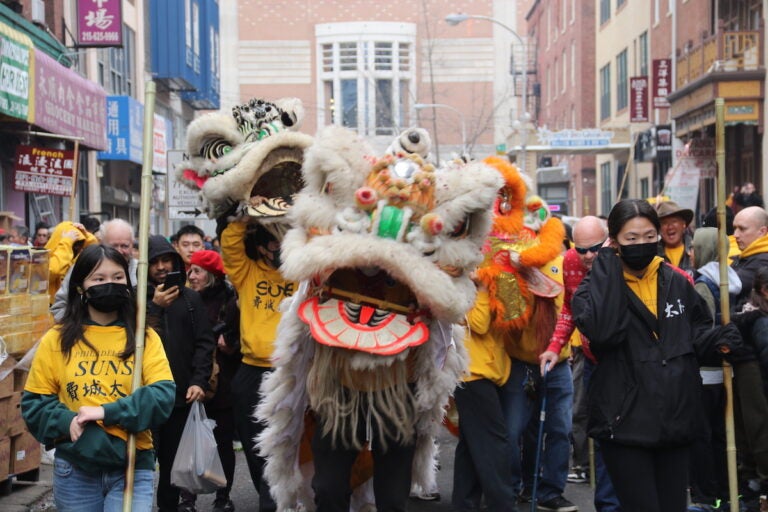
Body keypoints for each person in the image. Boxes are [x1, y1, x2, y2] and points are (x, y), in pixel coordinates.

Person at [572, 199, 744, 512]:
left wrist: (723, 337)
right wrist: (608, 266)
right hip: (625, 422)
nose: (642, 244)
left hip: (676, 418)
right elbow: (605, 333)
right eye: (631, 238)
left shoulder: (677, 281)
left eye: (649, 236)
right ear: (614, 241)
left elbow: (695, 336)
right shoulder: (592, 289)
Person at [21, 244, 175, 512]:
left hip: (132, 466)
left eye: (117, 278)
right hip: (75, 469)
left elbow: (162, 395)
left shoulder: (144, 338)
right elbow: (34, 403)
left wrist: (106, 411)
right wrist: (65, 420)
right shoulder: (56, 340)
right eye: (99, 278)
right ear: (80, 286)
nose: (110, 284)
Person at [539, 216, 621, 512]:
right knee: (598, 431)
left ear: (609, 241)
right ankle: (608, 505)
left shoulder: (621, 257)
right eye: (581, 249)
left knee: (625, 433)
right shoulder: (570, 261)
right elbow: (569, 310)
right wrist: (554, 346)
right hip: (592, 360)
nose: (588, 256)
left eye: (595, 248)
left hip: (626, 361)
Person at [220, 219, 295, 512]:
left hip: (290, 371)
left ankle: (277, 500)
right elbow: (230, 244)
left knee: (289, 441)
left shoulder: (300, 273)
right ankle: (268, 493)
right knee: (253, 443)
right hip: (251, 370)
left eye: (283, 242)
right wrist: (246, 218)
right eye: (273, 243)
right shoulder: (247, 273)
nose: (279, 248)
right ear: (262, 248)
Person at [146, 234, 216, 512]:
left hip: (179, 398)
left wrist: (199, 381)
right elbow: (130, 337)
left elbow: (204, 342)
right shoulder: (137, 295)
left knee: (172, 467)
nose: (162, 267)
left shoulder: (190, 299)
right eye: (155, 262)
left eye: (167, 260)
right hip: (144, 398)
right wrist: (154, 306)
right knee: (140, 464)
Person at [178, 250, 241, 512]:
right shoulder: (184, 300)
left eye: (197, 271)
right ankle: (187, 498)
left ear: (212, 275)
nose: (191, 276)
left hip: (224, 384)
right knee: (187, 439)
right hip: (192, 379)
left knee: (223, 442)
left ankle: (222, 497)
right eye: (190, 271)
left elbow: (244, 337)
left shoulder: (231, 302)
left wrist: (232, 346)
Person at [451, 278, 518, 512]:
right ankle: (503, 506)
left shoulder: (495, 276)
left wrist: (503, 281)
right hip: (471, 373)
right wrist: (480, 287)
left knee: (472, 445)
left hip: (490, 371)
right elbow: (478, 323)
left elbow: (513, 316)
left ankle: (464, 504)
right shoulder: (460, 278)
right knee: (493, 443)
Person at [688, 228, 741, 512]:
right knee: (722, 437)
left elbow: (701, 332)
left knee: (704, 437)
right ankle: (726, 492)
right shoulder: (731, 279)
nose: (690, 253)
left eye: (695, 247)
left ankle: (706, 497)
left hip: (706, 374)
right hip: (728, 372)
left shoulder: (702, 285)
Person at [51, 218, 138, 322]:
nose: (119, 251)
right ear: (101, 243)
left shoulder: (141, 271)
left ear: (132, 245)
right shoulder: (83, 266)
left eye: (124, 246)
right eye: (113, 246)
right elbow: (59, 307)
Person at [45, 221, 99, 305]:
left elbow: (95, 253)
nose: (78, 248)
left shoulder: (72, 258)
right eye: (75, 244)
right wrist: (66, 243)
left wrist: (86, 236)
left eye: (80, 244)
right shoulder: (42, 260)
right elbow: (54, 270)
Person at [730, 206, 768, 309]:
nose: (735, 235)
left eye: (742, 229)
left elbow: (730, 284)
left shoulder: (762, 260)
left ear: (762, 232)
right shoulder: (745, 256)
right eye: (734, 228)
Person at [655, 200, 695, 274]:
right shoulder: (654, 256)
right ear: (659, 229)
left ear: (684, 224)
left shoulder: (695, 251)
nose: (670, 227)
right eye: (664, 223)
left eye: (674, 221)